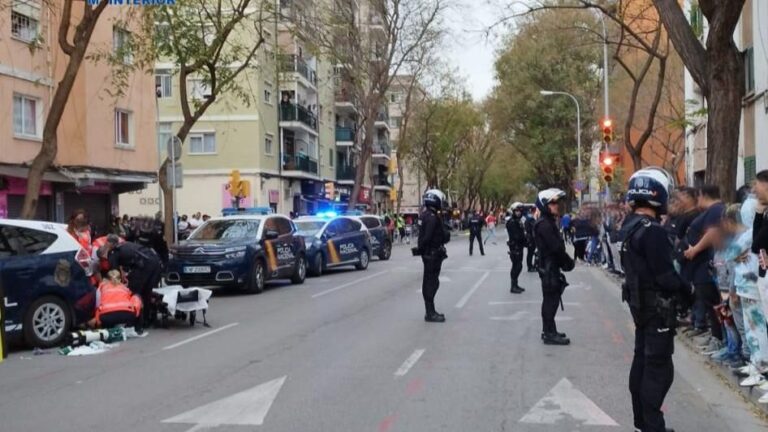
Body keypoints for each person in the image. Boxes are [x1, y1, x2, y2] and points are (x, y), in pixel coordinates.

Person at [619, 167, 691, 432]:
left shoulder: (629, 226)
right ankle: (653, 426)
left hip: (640, 307)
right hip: (657, 310)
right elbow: (666, 277)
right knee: (658, 370)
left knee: (642, 361)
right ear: (658, 193)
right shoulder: (653, 231)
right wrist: (688, 292)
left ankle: (642, 423)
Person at [682, 185, 726, 348]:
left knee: (713, 303)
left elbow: (712, 233)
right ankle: (716, 335)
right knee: (709, 302)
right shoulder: (711, 211)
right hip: (701, 265)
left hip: (707, 265)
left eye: (698, 196)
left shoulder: (715, 210)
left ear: (704, 195)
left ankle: (719, 338)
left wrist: (695, 249)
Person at [534, 188, 575, 345]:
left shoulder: (548, 222)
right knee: (551, 301)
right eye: (552, 203)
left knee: (552, 299)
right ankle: (549, 333)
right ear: (545, 205)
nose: (556, 205)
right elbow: (555, 247)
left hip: (550, 266)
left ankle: (550, 329)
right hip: (549, 267)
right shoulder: (544, 224)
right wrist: (567, 262)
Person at [99, 235, 163, 327]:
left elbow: (114, 273)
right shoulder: (126, 245)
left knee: (134, 291)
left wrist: (115, 284)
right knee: (146, 292)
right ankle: (147, 318)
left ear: (109, 244)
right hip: (155, 261)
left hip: (144, 266)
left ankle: (135, 320)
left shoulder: (113, 252)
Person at [417, 189, 451, 323]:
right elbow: (427, 237)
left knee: (431, 282)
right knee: (431, 283)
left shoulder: (425, 215)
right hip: (432, 254)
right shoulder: (432, 217)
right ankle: (430, 313)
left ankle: (430, 311)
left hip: (430, 254)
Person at [506, 203, 527, 294]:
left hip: (519, 246)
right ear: (513, 211)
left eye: (520, 211)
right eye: (516, 211)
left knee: (518, 265)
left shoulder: (518, 221)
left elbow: (521, 233)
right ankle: (513, 286)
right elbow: (516, 236)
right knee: (517, 266)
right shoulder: (512, 222)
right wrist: (524, 239)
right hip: (515, 247)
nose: (518, 213)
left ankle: (515, 284)